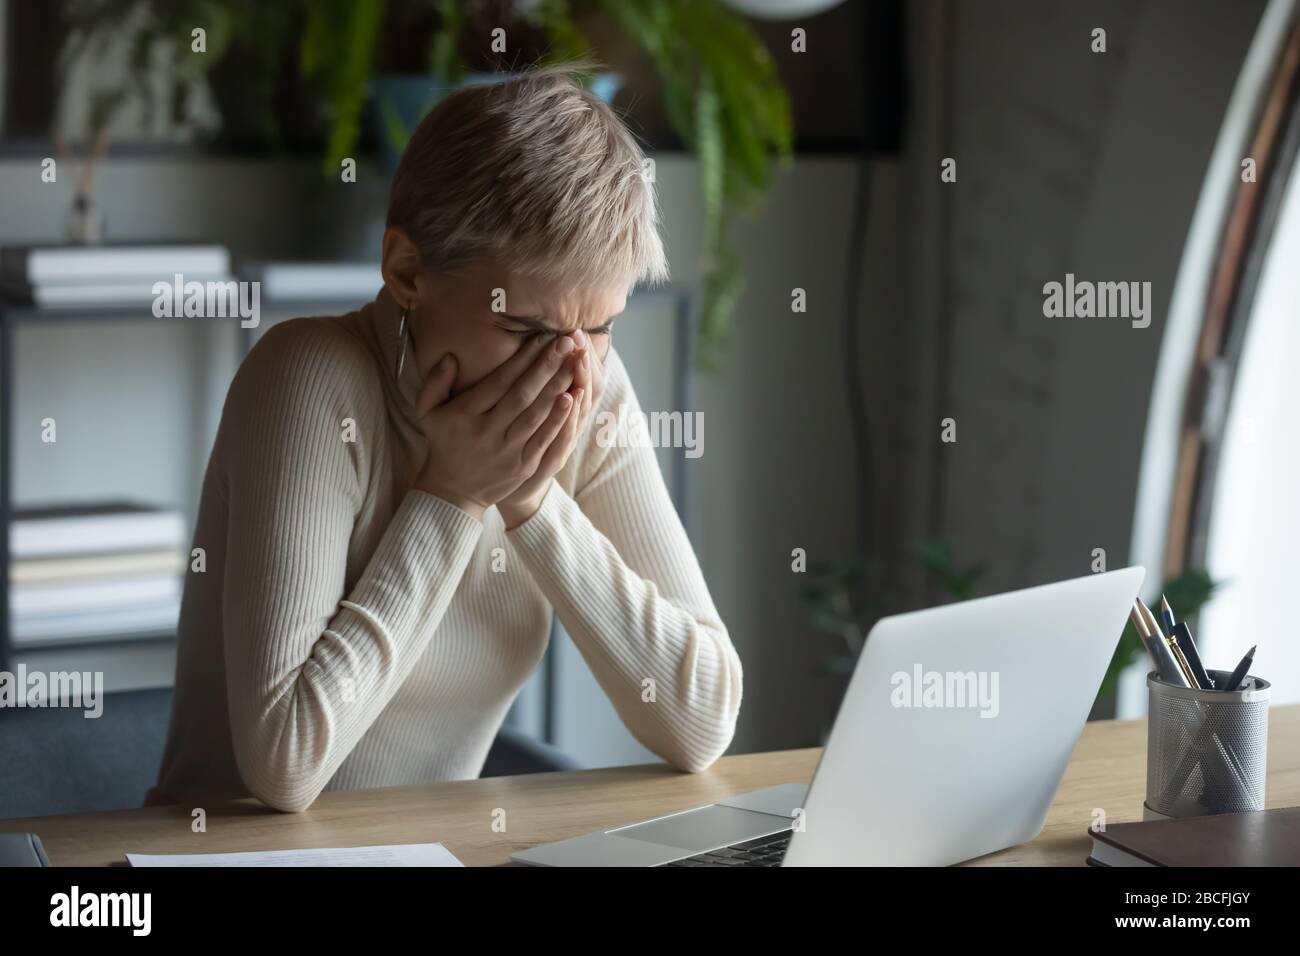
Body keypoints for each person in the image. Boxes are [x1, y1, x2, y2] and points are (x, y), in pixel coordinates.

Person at [149, 66, 742, 812]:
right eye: (527, 329)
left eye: (602, 326)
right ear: (406, 272)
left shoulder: (593, 388)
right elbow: (285, 766)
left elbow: (702, 720)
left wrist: (531, 500)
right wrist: (452, 496)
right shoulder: (309, 380)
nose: (572, 372)